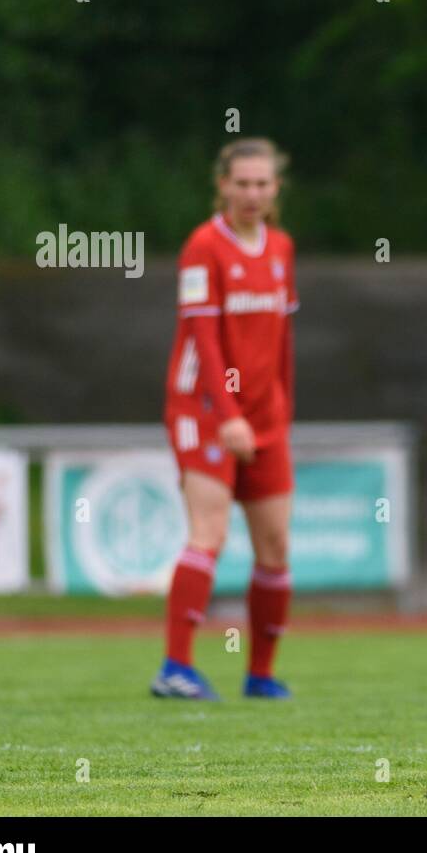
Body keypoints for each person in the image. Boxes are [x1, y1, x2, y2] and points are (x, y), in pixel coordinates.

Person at [151, 138, 299, 700]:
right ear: (223, 186)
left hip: (265, 418)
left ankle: (259, 674)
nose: (253, 194)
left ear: (275, 188)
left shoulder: (281, 248)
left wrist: (282, 410)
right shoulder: (202, 246)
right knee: (208, 535)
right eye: (242, 183)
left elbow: (282, 339)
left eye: (263, 184)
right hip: (205, 412)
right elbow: (204, 339)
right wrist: (228, 415)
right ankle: (175, 667)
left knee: (276, 547)